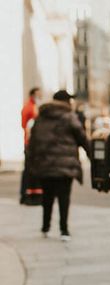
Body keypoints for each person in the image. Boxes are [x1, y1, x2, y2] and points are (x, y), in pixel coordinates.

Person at [25, 89, 90, 241]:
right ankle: (64, 230)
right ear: (66, 102)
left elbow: (33, 142)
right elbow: (82, 138)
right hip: (65, 164)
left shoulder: (41, 117)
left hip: (45, 164)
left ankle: (45, 227)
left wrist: (32, 162)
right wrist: (92, 155)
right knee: (64, 197)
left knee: (47, 197)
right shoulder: (69, 116)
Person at [20, 87, 43, 205]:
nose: (41, 96)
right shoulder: (29, 107)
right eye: (39, 94)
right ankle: (26, 195)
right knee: (29, 170)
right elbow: (25, 125)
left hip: (33, 143)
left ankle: (27, 195)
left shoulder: (34, 106)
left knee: (30, 170)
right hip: (30, 144)